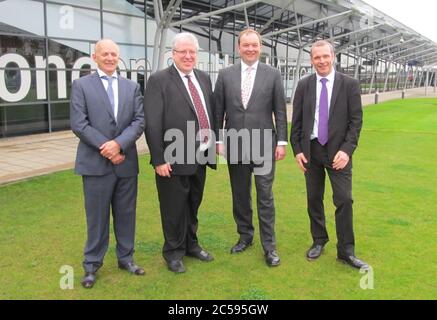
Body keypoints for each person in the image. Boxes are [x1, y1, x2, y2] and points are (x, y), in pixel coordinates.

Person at [70, 39, 146, 288]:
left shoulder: (131, 87)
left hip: (126, 164)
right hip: (95, 165)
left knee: (126, 215)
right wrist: (109, 148)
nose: (110, 58)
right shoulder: (81, 85)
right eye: (105, 54)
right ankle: (91, 265)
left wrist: (119, 145)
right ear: (95, 56)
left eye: (114, 54)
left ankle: (126, 259)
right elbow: (79, 124)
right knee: (97, 218)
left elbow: (139, 121)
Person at [290, 40, 368, 269]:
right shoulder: (304, 85)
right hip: (311, 150)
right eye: (317, 57)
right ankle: (318, 240)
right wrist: (297, 151)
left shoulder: (350, 84)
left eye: (325, 56)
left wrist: (347, 150)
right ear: (311, 60)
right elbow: (296, 122)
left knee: (344, 199)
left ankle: (346, 250)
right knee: (314, 198)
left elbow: (356, 121)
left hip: (338, 153)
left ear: (333, 56)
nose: (322, 61)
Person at [214, 29, 288, 267]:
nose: (250, 49)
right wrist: (217, 139)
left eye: (254, 45)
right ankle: (245, 236)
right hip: (234, 144)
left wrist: (282, 141)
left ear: (261, 46)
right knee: (240, 194)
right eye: (245, 45)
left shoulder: (273, 74)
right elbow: (218, 111)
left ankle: (270, 247)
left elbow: (280, 110)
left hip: (265, 144)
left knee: (265, 195)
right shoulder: (225, 75)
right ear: (238, 48)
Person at [144, 32, 216, 273]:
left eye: (192, 52)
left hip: (201, 156)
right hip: (172, 158)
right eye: (182, 51)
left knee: (193, 204)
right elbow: (152, 122)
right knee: (173, 207)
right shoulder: (159, 80)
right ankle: (173, 252)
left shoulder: (204, 78)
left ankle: (191, 245)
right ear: (172, 54)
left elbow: (208, 113)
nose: (188, 56)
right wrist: (158, 158)